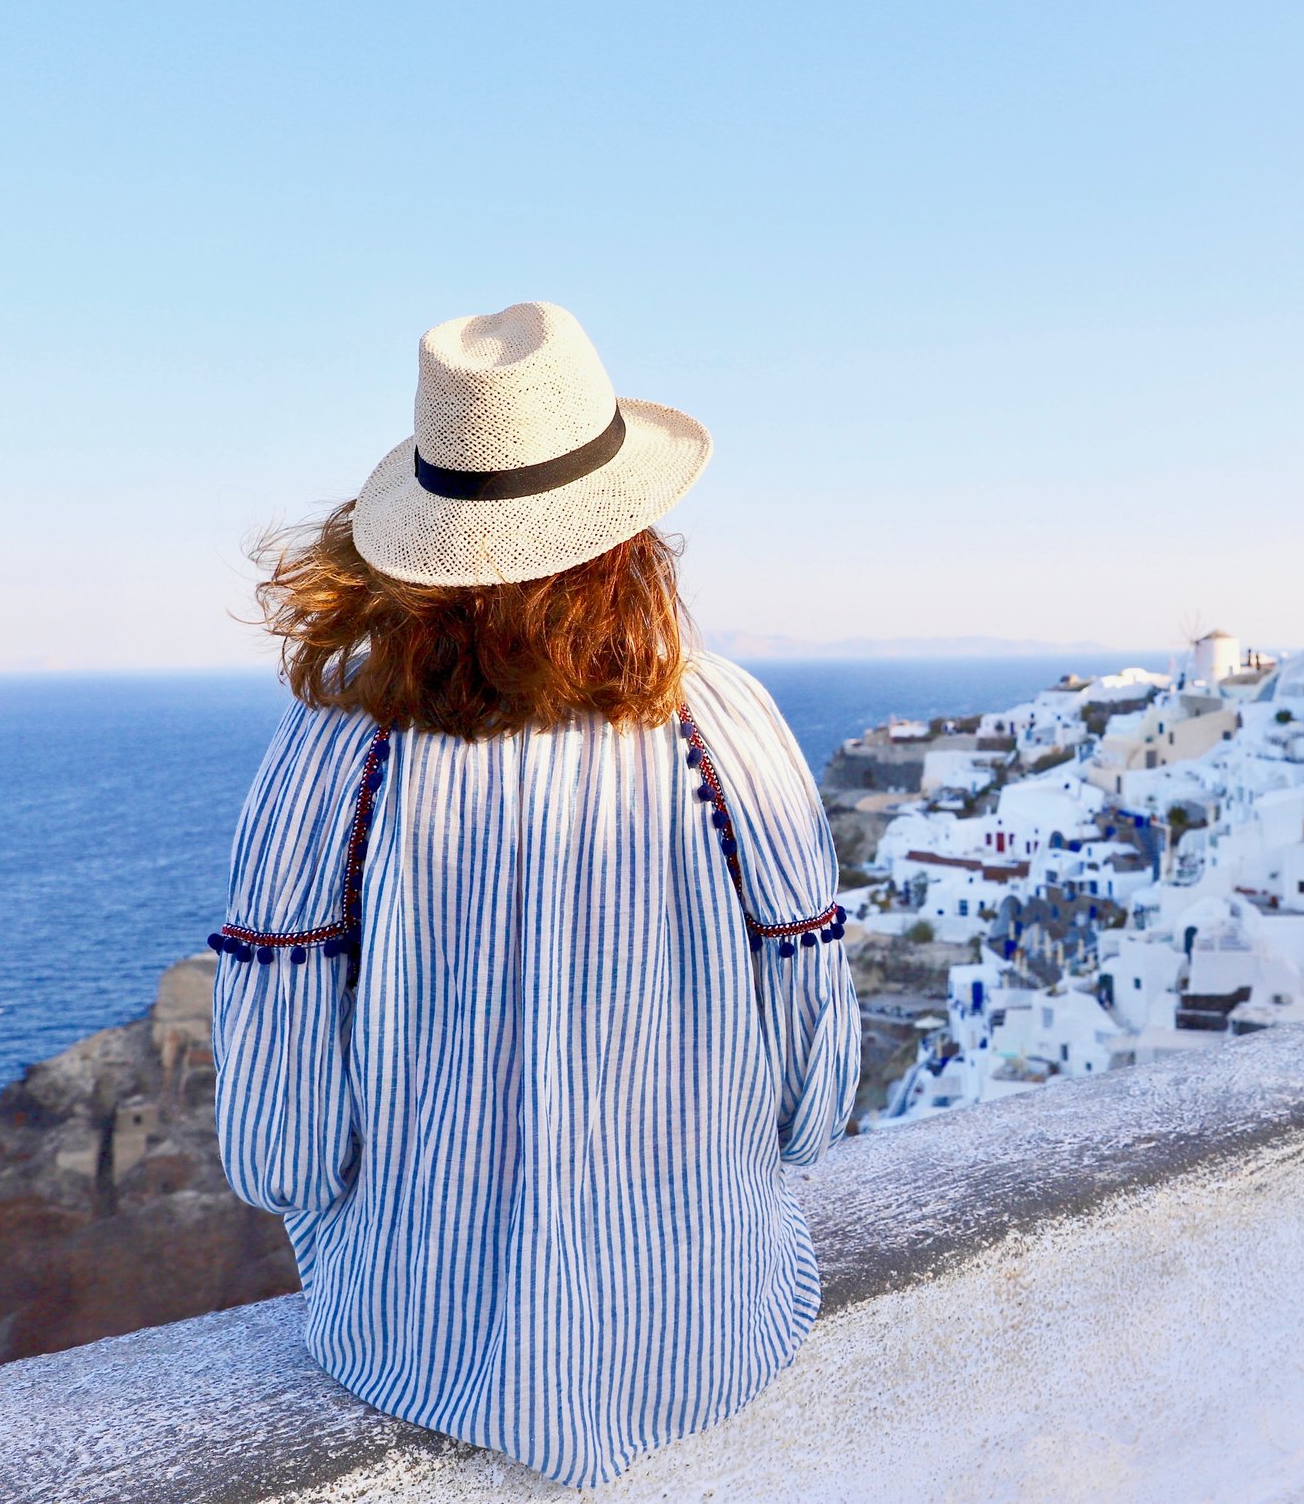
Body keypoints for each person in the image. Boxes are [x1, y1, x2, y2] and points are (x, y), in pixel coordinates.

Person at [210, 301, 859, 1489]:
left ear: (420, 553)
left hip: (412, 1334)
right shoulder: (727, 722)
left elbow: (281, 1139)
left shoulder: (336, 745)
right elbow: (811, 1050)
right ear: (632, 533)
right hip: (708, 1319)